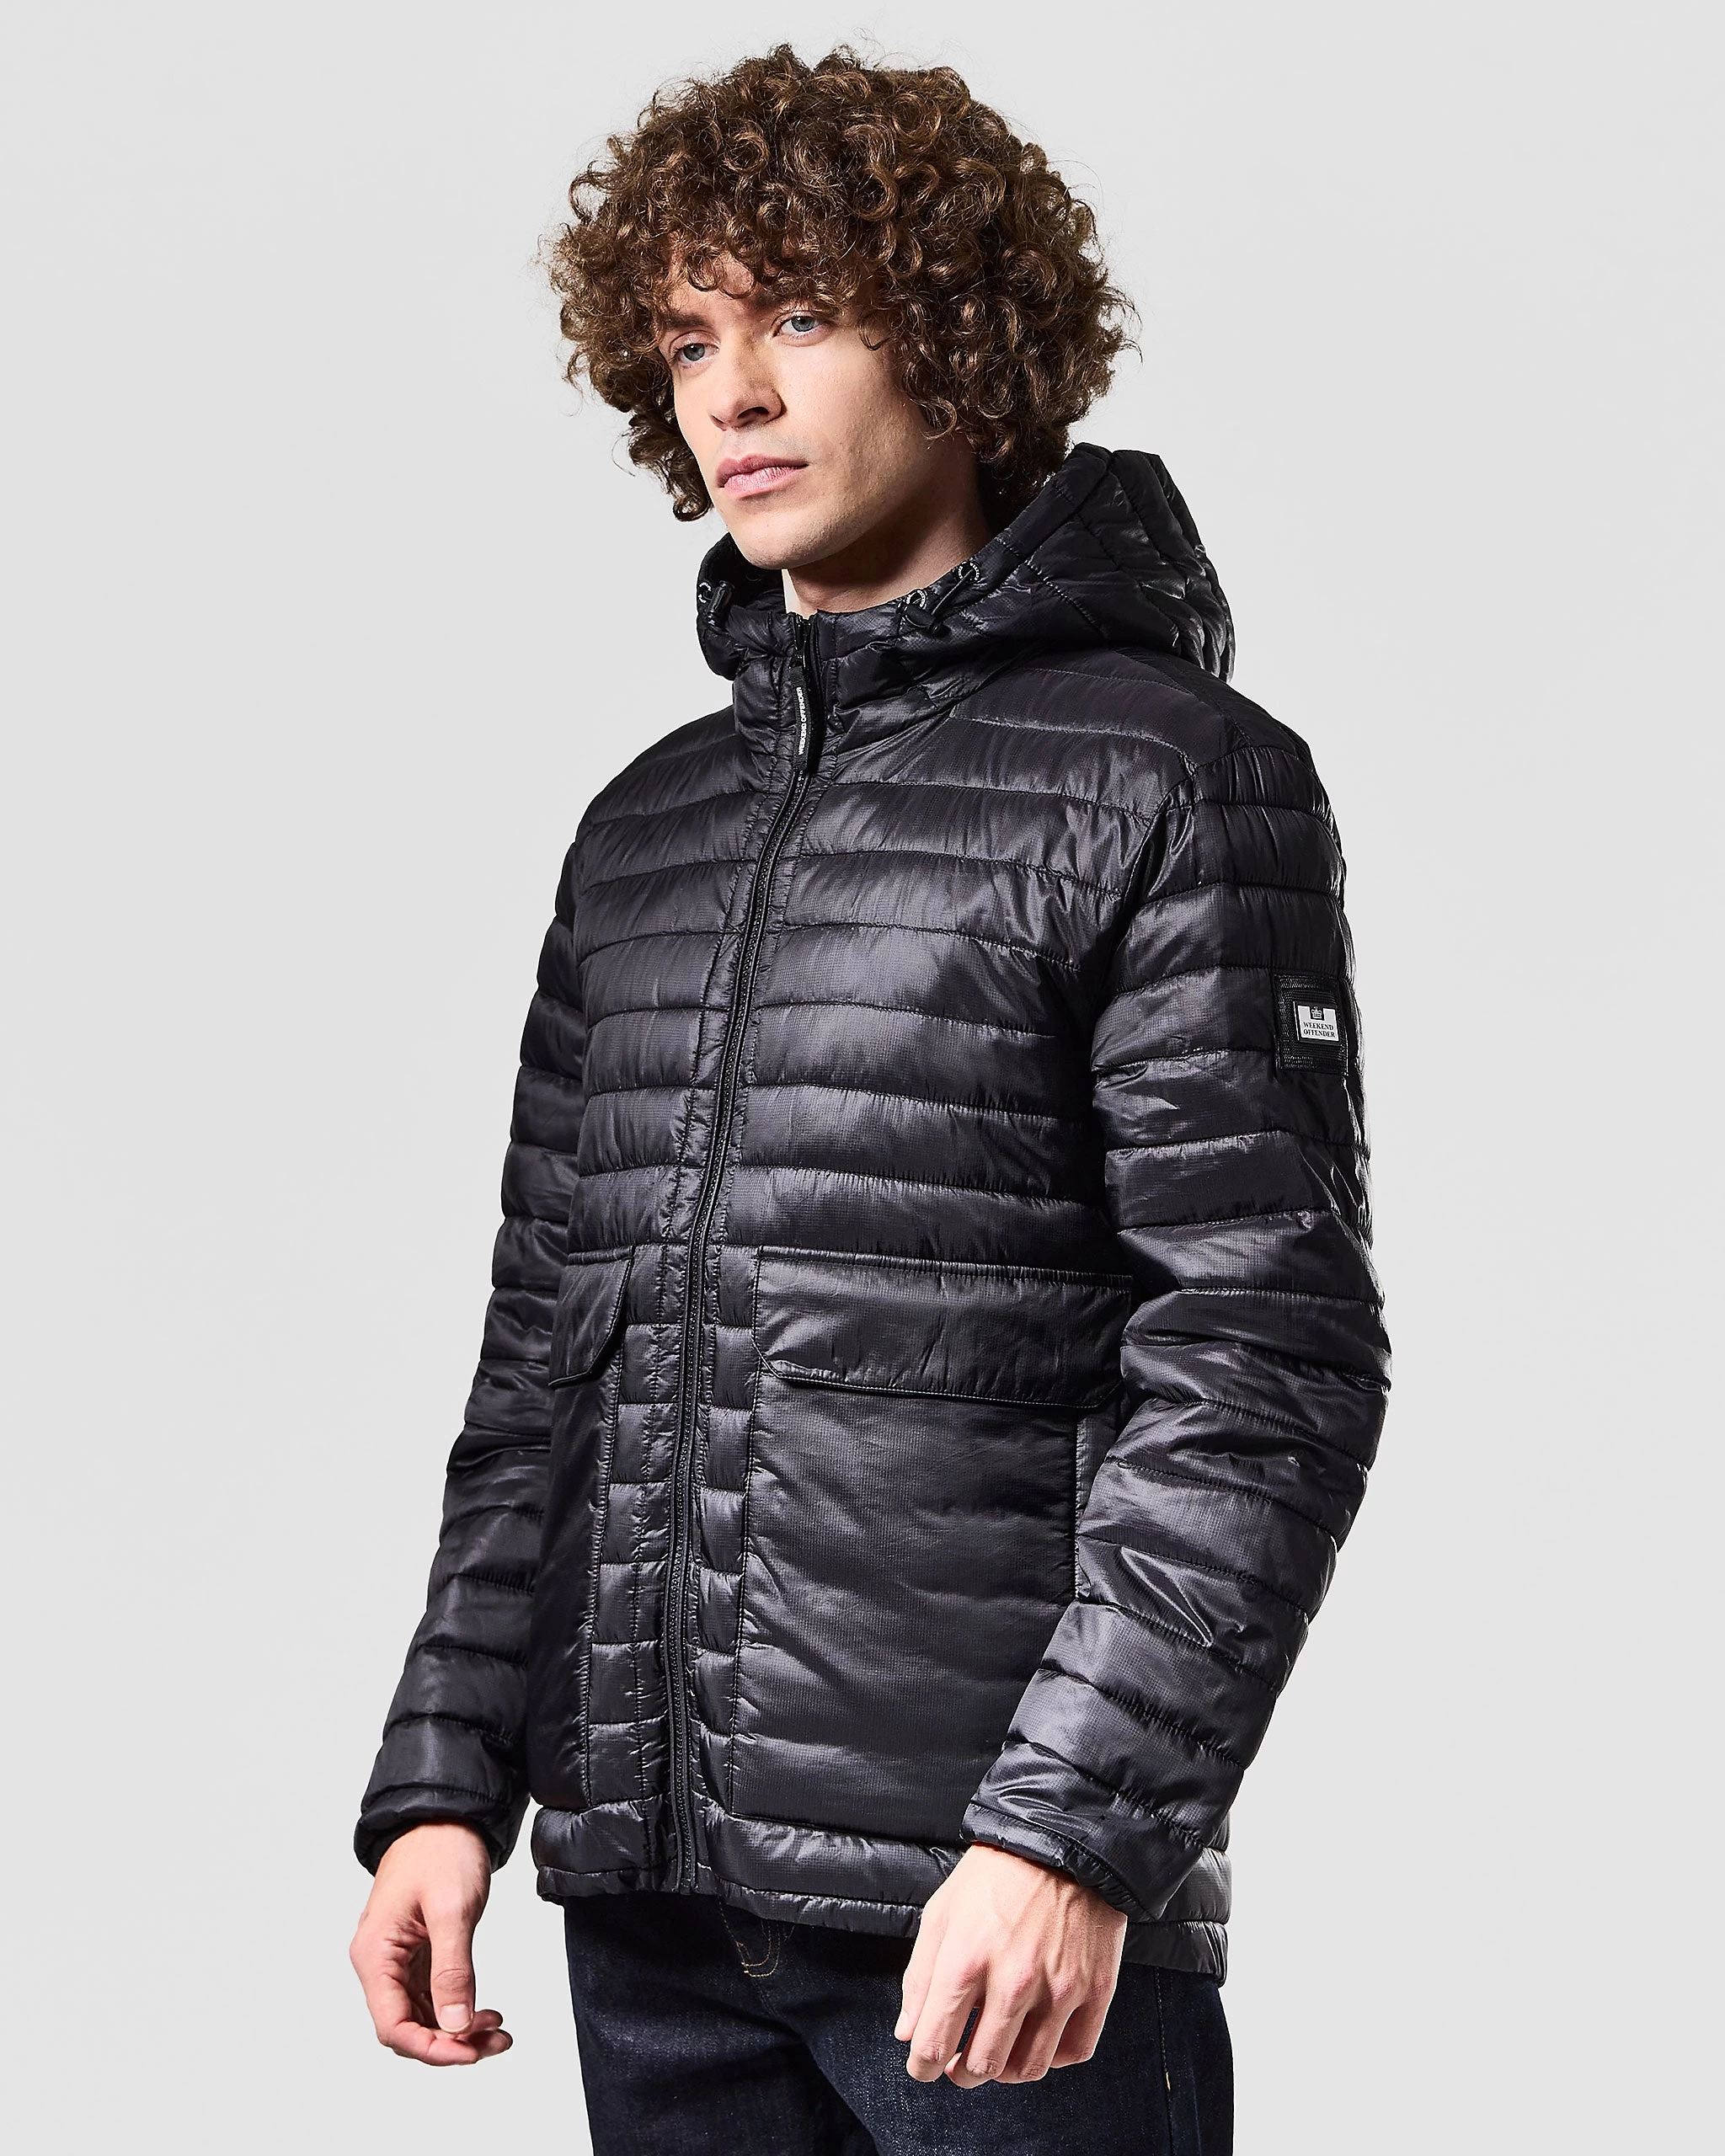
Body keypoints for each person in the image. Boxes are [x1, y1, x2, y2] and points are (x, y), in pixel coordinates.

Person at [350, 44, 1390, 2154]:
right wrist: (446, 1776)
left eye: (803, 315)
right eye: (686, 340)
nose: (732, 393)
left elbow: (1264, 1354)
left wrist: (1074, 1833)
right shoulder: (645, 831)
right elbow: (542, 1357)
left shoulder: (1173, 778)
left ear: (965, 340)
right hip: (652, 1916)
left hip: (990, 1925)